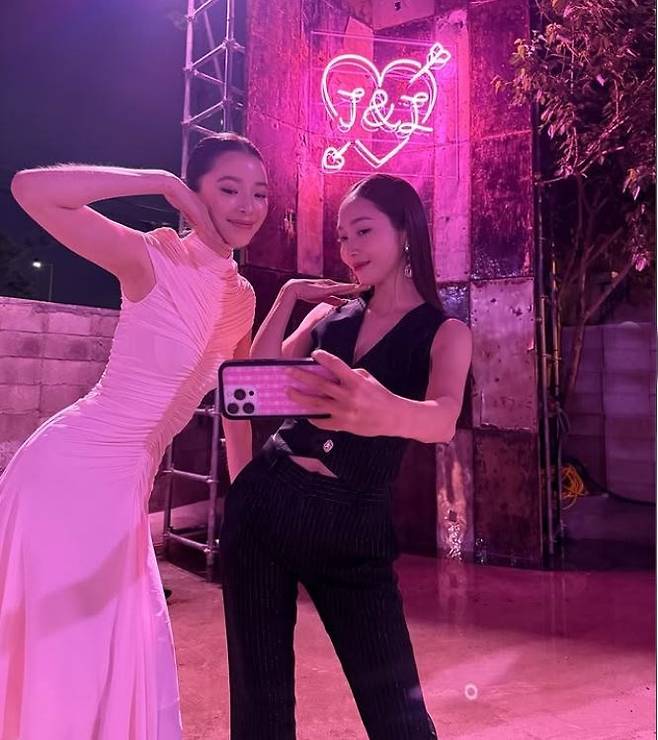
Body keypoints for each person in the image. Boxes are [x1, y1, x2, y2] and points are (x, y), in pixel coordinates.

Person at [0, 133, 268, 739]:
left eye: (259, 193)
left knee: (113, 658)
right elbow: (30, 190)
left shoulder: (243, 297)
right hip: (66, 478)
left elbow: (239, 403)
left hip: (123, 490)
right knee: (69, 663)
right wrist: (159, 181)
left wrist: (248, 504)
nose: (247, 206)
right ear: (195, 194)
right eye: (228, 189)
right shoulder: (153, 258)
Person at [220, 173, 472, 739]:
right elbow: (258, 381)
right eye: (342, 237)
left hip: (353, 523)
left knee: (398, 716)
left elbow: (442, 418)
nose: (350, 249)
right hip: (266, 503)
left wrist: (384, 411)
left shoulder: (445, 332)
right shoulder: (327, 317)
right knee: (259, 709)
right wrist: (288, 298)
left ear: (405, 232)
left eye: (363, 231)